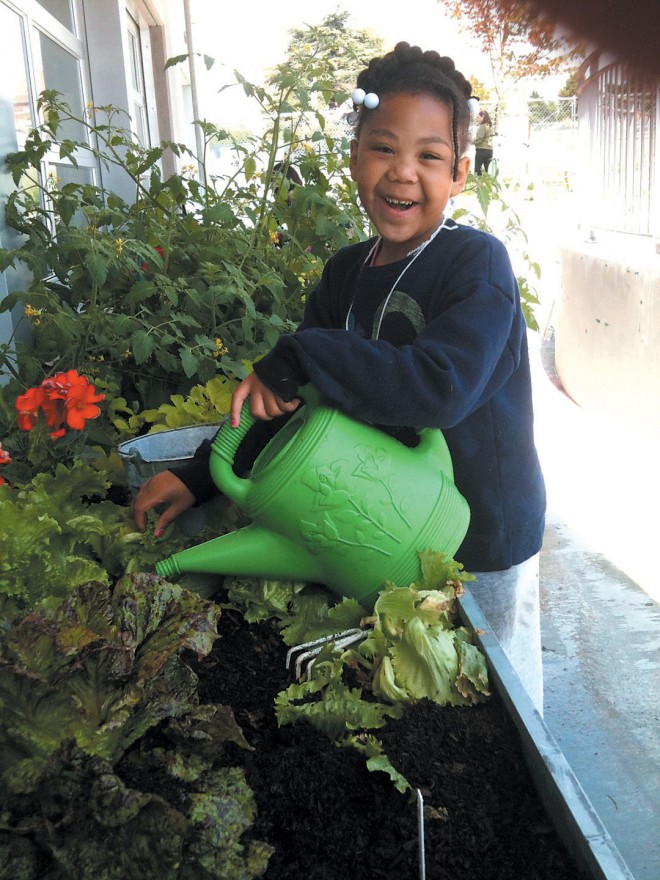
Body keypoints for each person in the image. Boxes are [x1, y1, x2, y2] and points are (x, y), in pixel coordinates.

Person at [134, 42, 547, 711]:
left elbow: (437, 388)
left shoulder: (477, 266)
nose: (402, 174)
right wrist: (196, 475)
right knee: (416, 686)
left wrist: (303, 352)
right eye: (383, 148)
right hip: (385, 522)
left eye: (430, 156)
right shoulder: (345, 274)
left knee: (500, 700)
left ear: (462, 171)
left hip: (483, 536)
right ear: (354, 156)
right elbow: (293, 406)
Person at [473, 110, 494, 175]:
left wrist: (472, 142)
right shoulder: (490, 126)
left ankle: (478, 184)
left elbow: (479, 139)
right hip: (489, 150)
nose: (477, 119)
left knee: (477, 170)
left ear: (483, 117)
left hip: (481, 150)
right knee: (487, 171)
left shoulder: (483, 126)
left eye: (478, 117)